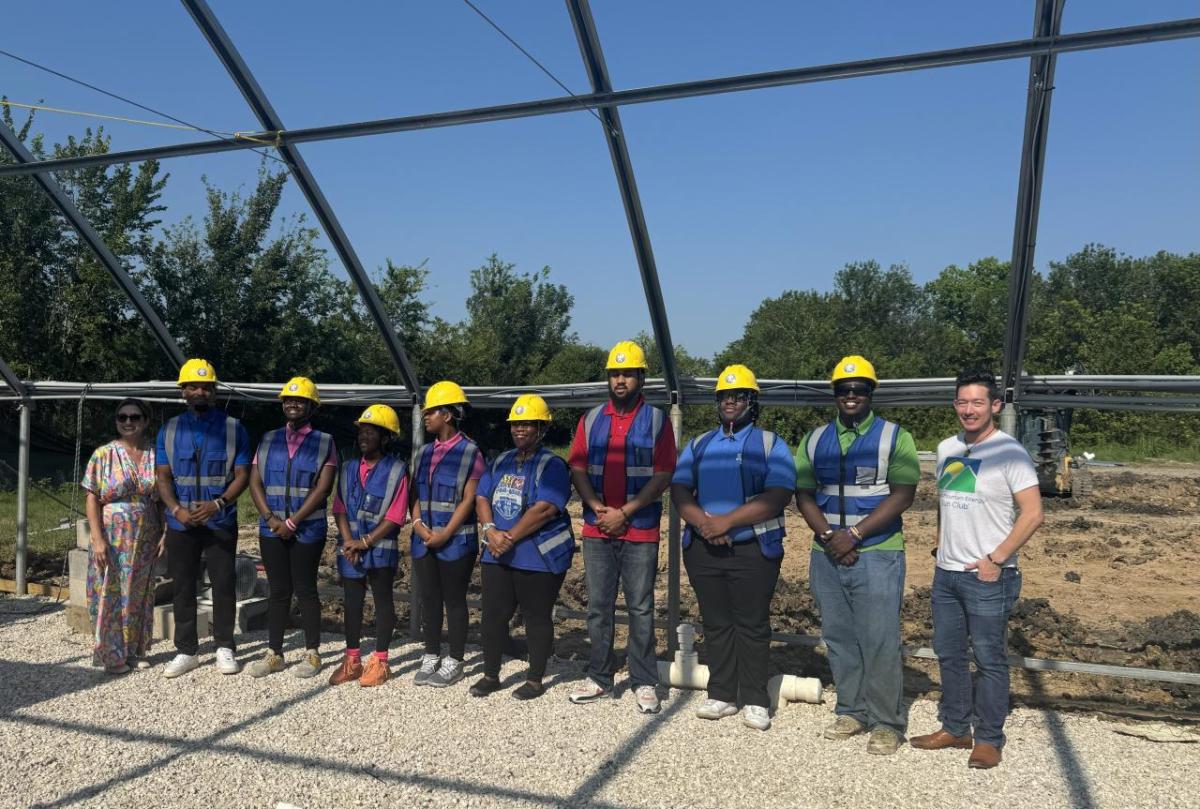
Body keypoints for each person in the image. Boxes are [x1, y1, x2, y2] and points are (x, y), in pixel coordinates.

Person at [910, 369, 1044, 769]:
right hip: (947, 573)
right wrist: (939, 544)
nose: (969, 410)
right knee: (949, 653)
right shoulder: (948, 447)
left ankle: (988, 738)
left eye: (978, 403)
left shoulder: (1009, 452)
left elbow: (1034, 512)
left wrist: (997, 558)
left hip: (988, 576)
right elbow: (946, 501)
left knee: (988, 658)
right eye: (962, 402)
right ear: (955, 405)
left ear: (995, 406)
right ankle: (955, 726)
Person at [794, 355, 919, 755]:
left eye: (860, 389)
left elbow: (903, 494)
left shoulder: (893, 437)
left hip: (878, 552)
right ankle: (851, 709)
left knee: (879, 637)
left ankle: (886, 722)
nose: (852, 395)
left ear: (870, 393)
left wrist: (856, 534)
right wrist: (831, 536)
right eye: (844, 389)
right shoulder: (814, 440)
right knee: (840, 636)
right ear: (835, 394)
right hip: (827, 551)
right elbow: (804, 494)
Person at [670, 364, 795, 731]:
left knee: (752, 623)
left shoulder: (770, 443)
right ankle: (722, 693)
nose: (730, 402)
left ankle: (756, 698)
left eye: (738, 396)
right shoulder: (700, 443)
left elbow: (777, 495)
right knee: (718, 620)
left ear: (752, 402)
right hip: (703, 548)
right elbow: (680, 489)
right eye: (724, 396)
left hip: (753, 549)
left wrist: (726, 523)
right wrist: (704, 524)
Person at [567, 341, 676, 715]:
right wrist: (598, 508)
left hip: (639, 528)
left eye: (628, 373)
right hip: (598, 529)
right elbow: (577, 467)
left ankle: (644, 681)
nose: (620, 380)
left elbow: (663, 475)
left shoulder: (658, 420)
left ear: (641, 377)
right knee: (598, 607)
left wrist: (624, 512)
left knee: (641, 608)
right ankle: (600, 676)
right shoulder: (592, 418)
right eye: (615, 373)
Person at [470, 394, 575, 700]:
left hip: (537, 557)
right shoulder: (500, 461)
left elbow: (544, 508)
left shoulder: (553, 465)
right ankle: (490, 675)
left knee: (536, 616)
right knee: (492, 615)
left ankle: (534, 680)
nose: (520, 429)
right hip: (497, 552)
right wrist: (490, 530)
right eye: (516, 423)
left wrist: (509, 537)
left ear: (541, 428)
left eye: (527, 424)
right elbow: (482, 497)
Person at [156, 359, 252, 679]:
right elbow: (163, 478)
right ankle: (186, 650)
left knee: (224, 584)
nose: (200, 391)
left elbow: (242, 474)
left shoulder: (233, 428)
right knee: (183, 584)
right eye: (194, 386)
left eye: (207, 387)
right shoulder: (168, 430)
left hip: (219, 521)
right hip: (181, 523)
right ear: (183, 391)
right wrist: (176, 510)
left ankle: (224, 645)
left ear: (214, 392)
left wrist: (218, 503)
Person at [246, 377, 337, 679]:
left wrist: (292, 521)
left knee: (307, 589)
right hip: (271, 528)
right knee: (279, 591)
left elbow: (323, 487)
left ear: (312, 406)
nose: (293, 404)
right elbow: (255, 480)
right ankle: (275, 653)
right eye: (288, 400)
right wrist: (271, 518)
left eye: (300, 400)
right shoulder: (269, 438)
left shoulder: (324, 441)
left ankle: (312, 653)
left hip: (306, 530)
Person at [328, 404, 409, 688]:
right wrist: (350, 540)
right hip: (350, 547)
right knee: (351, 602)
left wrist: (364, 542)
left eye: (371, 432)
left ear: (386, 437)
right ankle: (352, 660)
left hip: (380, 548)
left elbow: (396, 515)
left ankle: (381, 661)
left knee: (383, 601)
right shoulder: (349, 467)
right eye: (362, 431)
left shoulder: (397, 470)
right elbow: (339, 507)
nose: (364, 437)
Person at [411, 381, 485, 688]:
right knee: (429, 599)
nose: (426, 417)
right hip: (424, 538)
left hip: (455, 542)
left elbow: (469, 499)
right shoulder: (424, 452)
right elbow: (414, 493)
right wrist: (417, 525)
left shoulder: (471, 453)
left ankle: (454, 659)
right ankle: (431, 654)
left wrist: (444, 534)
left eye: (431, 412)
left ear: (448, 415)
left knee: (454, 600)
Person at [83, 398, 164, 674]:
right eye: (122, 417)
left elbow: (162, 499)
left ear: (145, 421)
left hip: (146, 535)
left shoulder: (156, 454)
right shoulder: (103, 454)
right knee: (112, 591)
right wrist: (97, 538)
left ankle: (135, 649)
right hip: (113, 536)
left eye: (135, 417)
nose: (128, 422)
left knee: (139, 592)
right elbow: (92, 497)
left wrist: (165, 533)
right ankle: (111, 654)